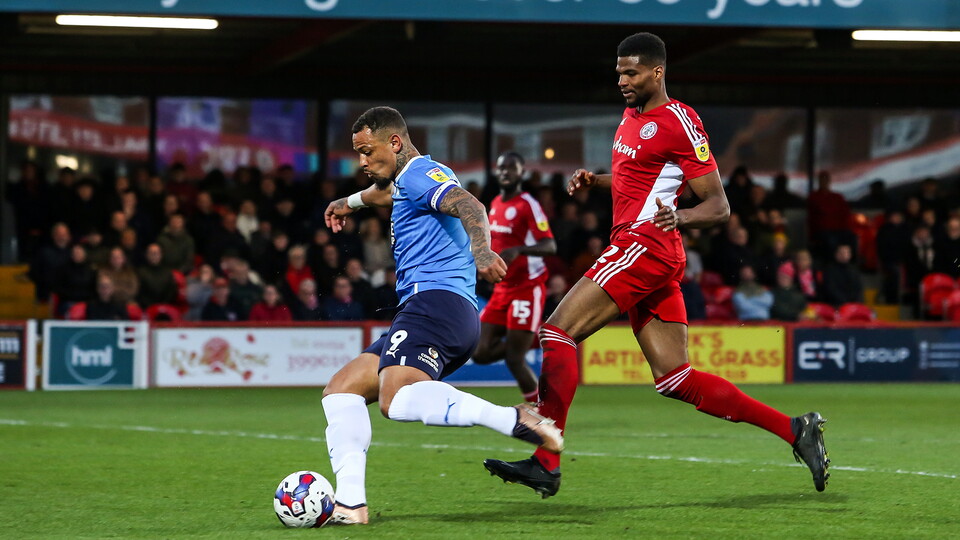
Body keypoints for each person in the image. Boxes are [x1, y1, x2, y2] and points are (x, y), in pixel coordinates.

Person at [482, 32, 829, 498]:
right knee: (675, 378)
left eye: (632, 73)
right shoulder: (631, 117)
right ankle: (795, 429)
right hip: (646, 249)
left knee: (556, 331)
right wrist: (596, 181)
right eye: (620, 73)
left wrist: (680, 215)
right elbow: (640, 178)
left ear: (657, 71)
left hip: (645, 245)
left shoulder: (679, 121)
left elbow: (719, 206)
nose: (623, 81)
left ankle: (546, 459)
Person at [319, 107, 563, 526]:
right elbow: (386, 193)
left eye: (366, 151)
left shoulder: (417, 173)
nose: (361, 161)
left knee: (394, 400)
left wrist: (482, 251)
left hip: (436, 304)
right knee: (341, 391)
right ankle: (350, 505)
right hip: (429, 308)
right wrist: (349, 203)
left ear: (394, 143)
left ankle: (513, 418)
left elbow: (470, 206)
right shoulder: (409, 179)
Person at [473, 151, 557, 403]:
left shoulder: (527, 204)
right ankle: (535, 337)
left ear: (521, 173)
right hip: (502, 290)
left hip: (527, 288)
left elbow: (550, 246)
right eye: (502, 168)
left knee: (513, 359)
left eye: (512, 167)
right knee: (480, 352)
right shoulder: (497, 203)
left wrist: (519, 249)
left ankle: (540, 410)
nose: (506, 172)